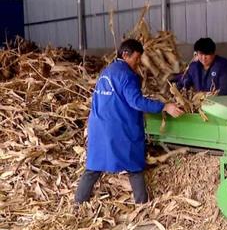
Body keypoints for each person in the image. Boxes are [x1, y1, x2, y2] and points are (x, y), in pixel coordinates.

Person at [75, 39, 184, 204]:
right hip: (119, 129)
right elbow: (137, 102)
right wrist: (164, 106)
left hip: (99, 127)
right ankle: (142, 203)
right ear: (125, 55)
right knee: (134, 166)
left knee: (94, 167)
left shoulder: (107, 72)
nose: (138, 63)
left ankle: (78, 203)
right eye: (137, 58)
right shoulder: (127, 75)